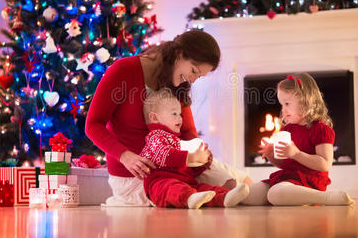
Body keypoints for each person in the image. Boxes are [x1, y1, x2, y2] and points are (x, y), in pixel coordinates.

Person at [85, 30, 248, 206]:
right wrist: (125, 156)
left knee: (233, 183)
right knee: (177, 191)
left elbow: (187, 133)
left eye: (198, 76)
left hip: (175, 166)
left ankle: (268, 192)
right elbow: (93, 125)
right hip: (139, 172)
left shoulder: (178, 84)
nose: (192, 80)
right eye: (193, 71)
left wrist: (199, 153)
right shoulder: (124, 70)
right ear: (179, 54)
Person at [242, 73, 354, 206]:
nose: (283, 110)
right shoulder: (288, 130)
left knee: (275, 194)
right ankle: (227, 196)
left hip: (310, 182)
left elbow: (325, 164)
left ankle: (325, 198)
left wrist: (296, 153)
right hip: (289, 179)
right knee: (249, 193)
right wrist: (272, 156)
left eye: (287, 103)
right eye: (282, 104)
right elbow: (285, 164)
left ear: (306, 102)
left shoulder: (320, 130)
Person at [140, 88, 249, 208]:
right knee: (172, 187)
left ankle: (224, 197)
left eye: (180, 114)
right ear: (155, 118)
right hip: (159, 183)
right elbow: (164, 155)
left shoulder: (178, 141)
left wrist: (203, 161)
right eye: (174, 114)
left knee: (204, 189)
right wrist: (191, 157)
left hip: (186, 182)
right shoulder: (155, 137)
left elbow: (189, 167)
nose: (180, 118)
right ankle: (190, 198)